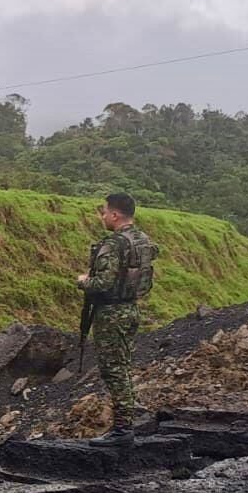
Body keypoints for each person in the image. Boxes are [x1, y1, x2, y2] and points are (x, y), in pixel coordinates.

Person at [78, 191, 158, 448]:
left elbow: (103, 282)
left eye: (104, 212)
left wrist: (82, 282)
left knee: (114, 371)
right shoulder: (143, 240)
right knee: (122, 367)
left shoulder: (114, 244)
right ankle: (126, 421)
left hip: (112, 313)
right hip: (131, 310)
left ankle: (123, 429)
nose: (102, 217)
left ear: (114, 214)